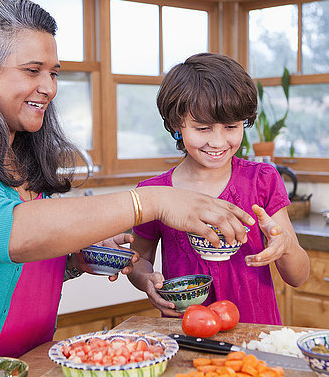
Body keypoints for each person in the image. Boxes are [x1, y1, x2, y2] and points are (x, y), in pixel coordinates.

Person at [0, 0, 255, 377]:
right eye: (32, 71)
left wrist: (73, 258)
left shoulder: (20, 158)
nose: (49, 87)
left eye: (53, 73)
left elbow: (13, 264)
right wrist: (153, 201)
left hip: (21, 375)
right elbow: (5, 232)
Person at [128, 53, 309, 324]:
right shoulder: (154, 193)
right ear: (178, 125)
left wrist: (286, 248)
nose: (218, 141)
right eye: (202, 128)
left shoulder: (262, 180)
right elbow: (140, 260)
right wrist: (146, 281)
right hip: (187, 332)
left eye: (231, 127)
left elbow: (299, 276)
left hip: (256, 334)